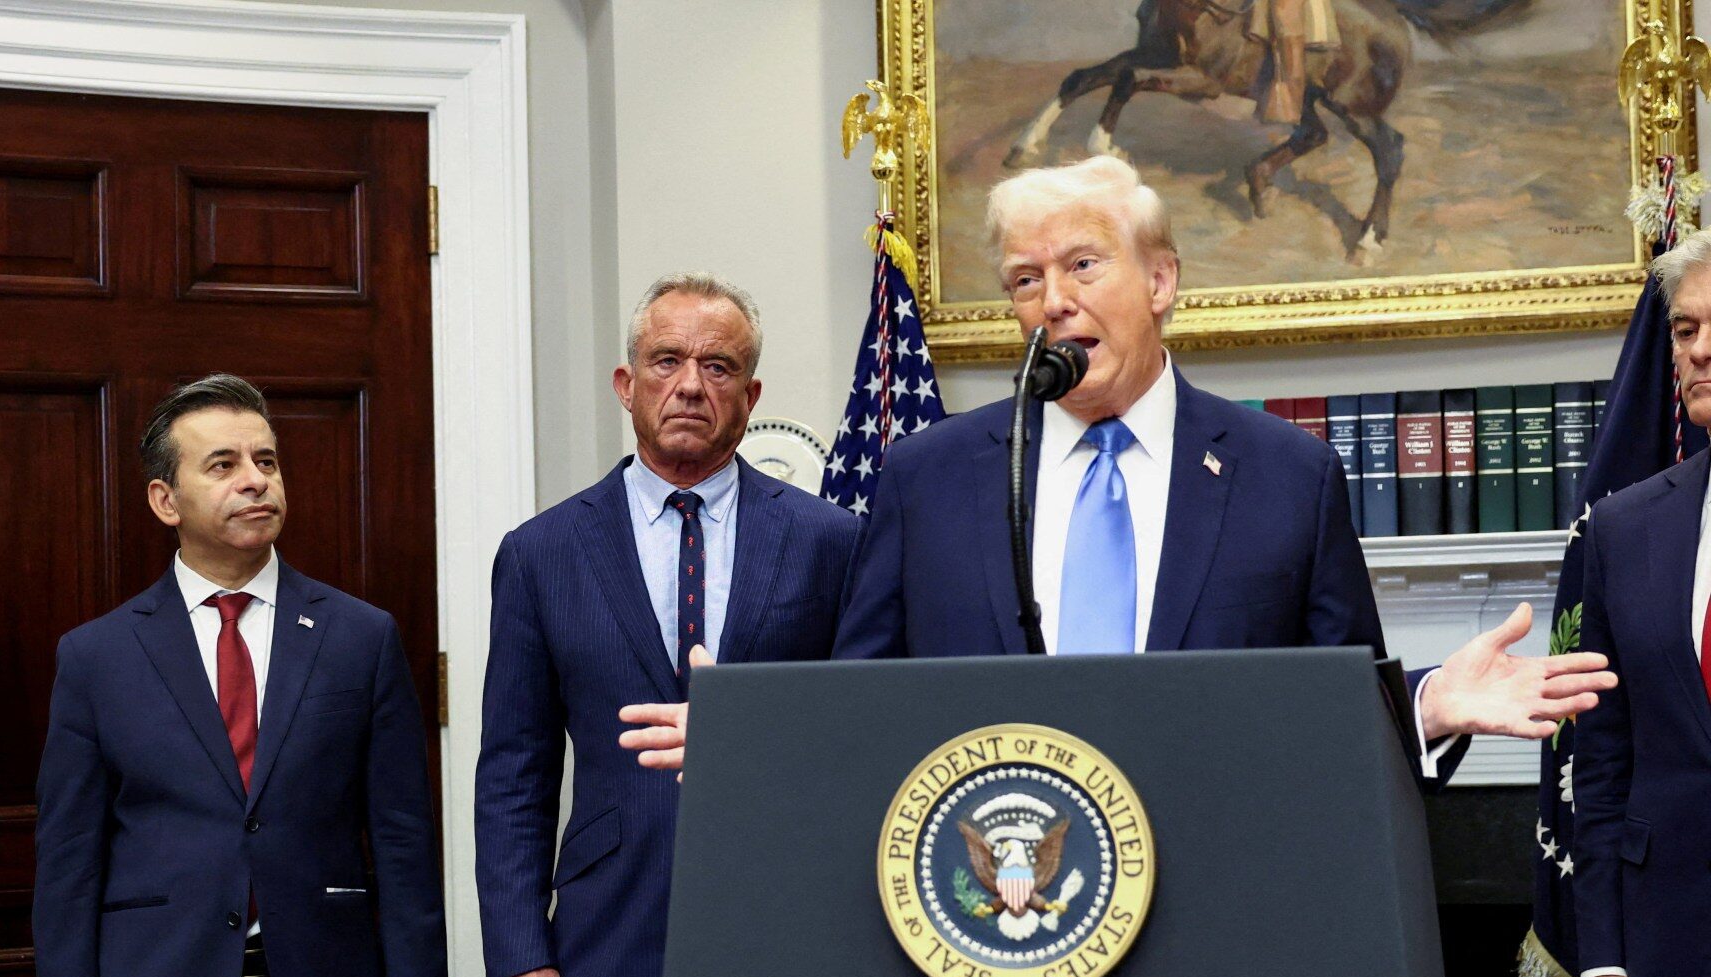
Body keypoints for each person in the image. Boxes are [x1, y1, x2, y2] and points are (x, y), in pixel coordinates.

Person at [620, 157, 1615, 782]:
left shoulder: (1287, 474)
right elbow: (864, 704)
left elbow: (1334, 707)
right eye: (1025, 279)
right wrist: (760, 745)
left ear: (1162, 279)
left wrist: (1430, 703)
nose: (1052, 300)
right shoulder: (930, 477)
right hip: (991, 913)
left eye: (1083, 265)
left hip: (1215, 915)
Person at [475, 273, 860, 977]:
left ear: (749, 397)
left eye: (718, 367)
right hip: (605, 945)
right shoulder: (541, 553)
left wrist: (749, 734)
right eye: (666, 361)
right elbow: (513, 774)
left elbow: (861, 732)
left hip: (789, 934)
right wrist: (520, 956)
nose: (689, 385)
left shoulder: (831, 541)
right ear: (626, 385)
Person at [33, 374, 446, 977]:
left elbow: (405, 852)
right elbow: (68, 868)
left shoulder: (360, 638)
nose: (255, 481)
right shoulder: (97, 657)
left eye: (267, 461)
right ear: (165, 501)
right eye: (223, 465)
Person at [1573, 230, 1711, 977]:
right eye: (1684, 329)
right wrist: (1602, 958)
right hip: (1668, 953)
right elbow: (1601, 763)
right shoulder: (1624, 528)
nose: (1698, 350)